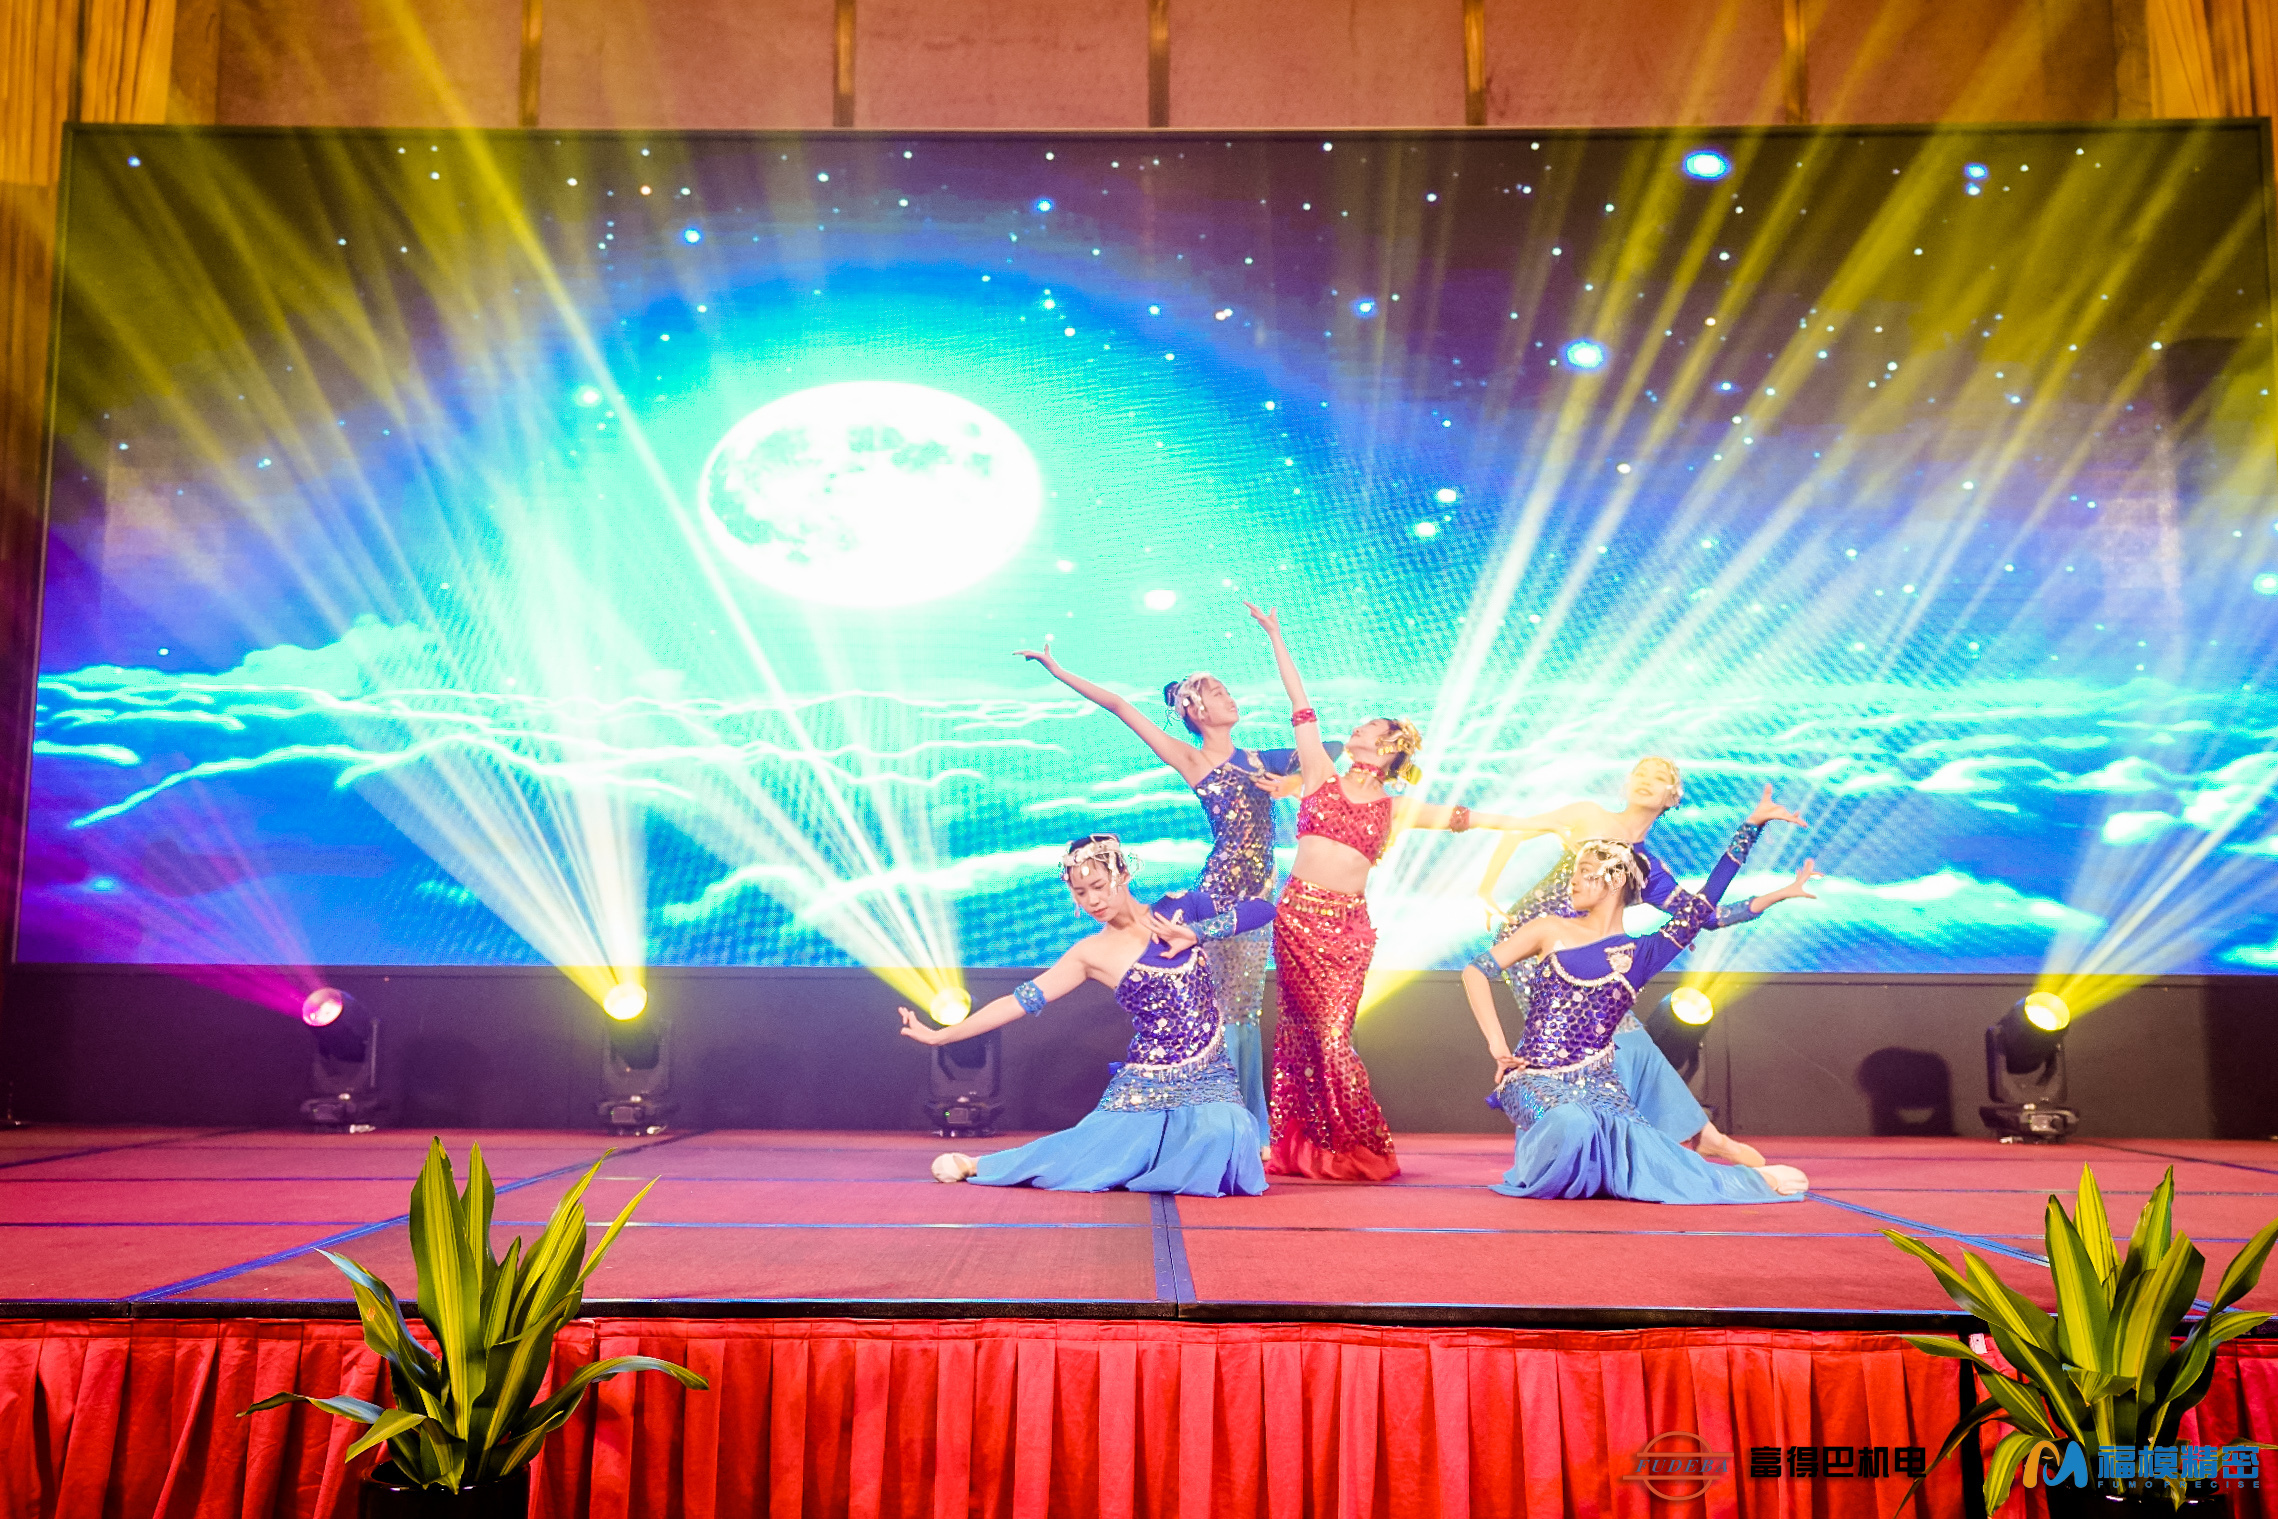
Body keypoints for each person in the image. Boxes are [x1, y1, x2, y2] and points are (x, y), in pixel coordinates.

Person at [1244, 601, 1532, 1181]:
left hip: (1348, 931)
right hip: (1296, 919)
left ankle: (1357, 1146)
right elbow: (1300, 705)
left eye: (1369, 728)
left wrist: (1540, 824)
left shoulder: (1396, 808)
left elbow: (1466, 818)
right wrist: (1275, 634)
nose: (1356, 731)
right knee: (1300, 1036)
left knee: (1333, 1036)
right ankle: (1306, 1146)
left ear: (1391, 746)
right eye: (1358, 726)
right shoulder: (1319, 775)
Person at [1015, 636, 1317, 1147]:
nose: (1229, 698)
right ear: (1195, 711)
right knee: (1224, 1012)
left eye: (1227, 691)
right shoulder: (1193, 760)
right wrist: (1058, 670)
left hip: (1258, 900)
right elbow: (1119, 706)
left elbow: (1326, 756)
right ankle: (1219, 1126)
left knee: (1245, 1013)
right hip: (1218, 897)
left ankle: (1241, 1126)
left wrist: (1289, 784)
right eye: (1217, 693)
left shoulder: (1263, 759)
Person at [896, 833, 1272, 1197]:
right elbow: (1017, 1002)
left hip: (1209, 1074)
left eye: (1098, 886)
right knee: (1090, 1151)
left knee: (1226, 1136)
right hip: (1146, 1083)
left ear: (1123, 874)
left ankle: (1157, 1159)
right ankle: (980, 1164)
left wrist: (1197, 932)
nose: (1092, 900)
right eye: (1080, 892)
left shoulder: (1180, 909)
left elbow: (1262, 909)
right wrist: (940, 1036)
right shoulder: (1089, 953)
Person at [1461, 822, 1817, 1203]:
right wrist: (1498, 1046)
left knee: (1648, 1151)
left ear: (1615, 880)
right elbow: (1476, 971)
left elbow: (1703, 905)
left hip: (1601, 1086)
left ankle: (1743, 1179)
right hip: (1534, 1079)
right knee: (1573, 1122)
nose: (1572, 881)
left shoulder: (1641, 954)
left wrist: (1751, 827)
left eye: (1585, 872)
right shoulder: (1548, 928)